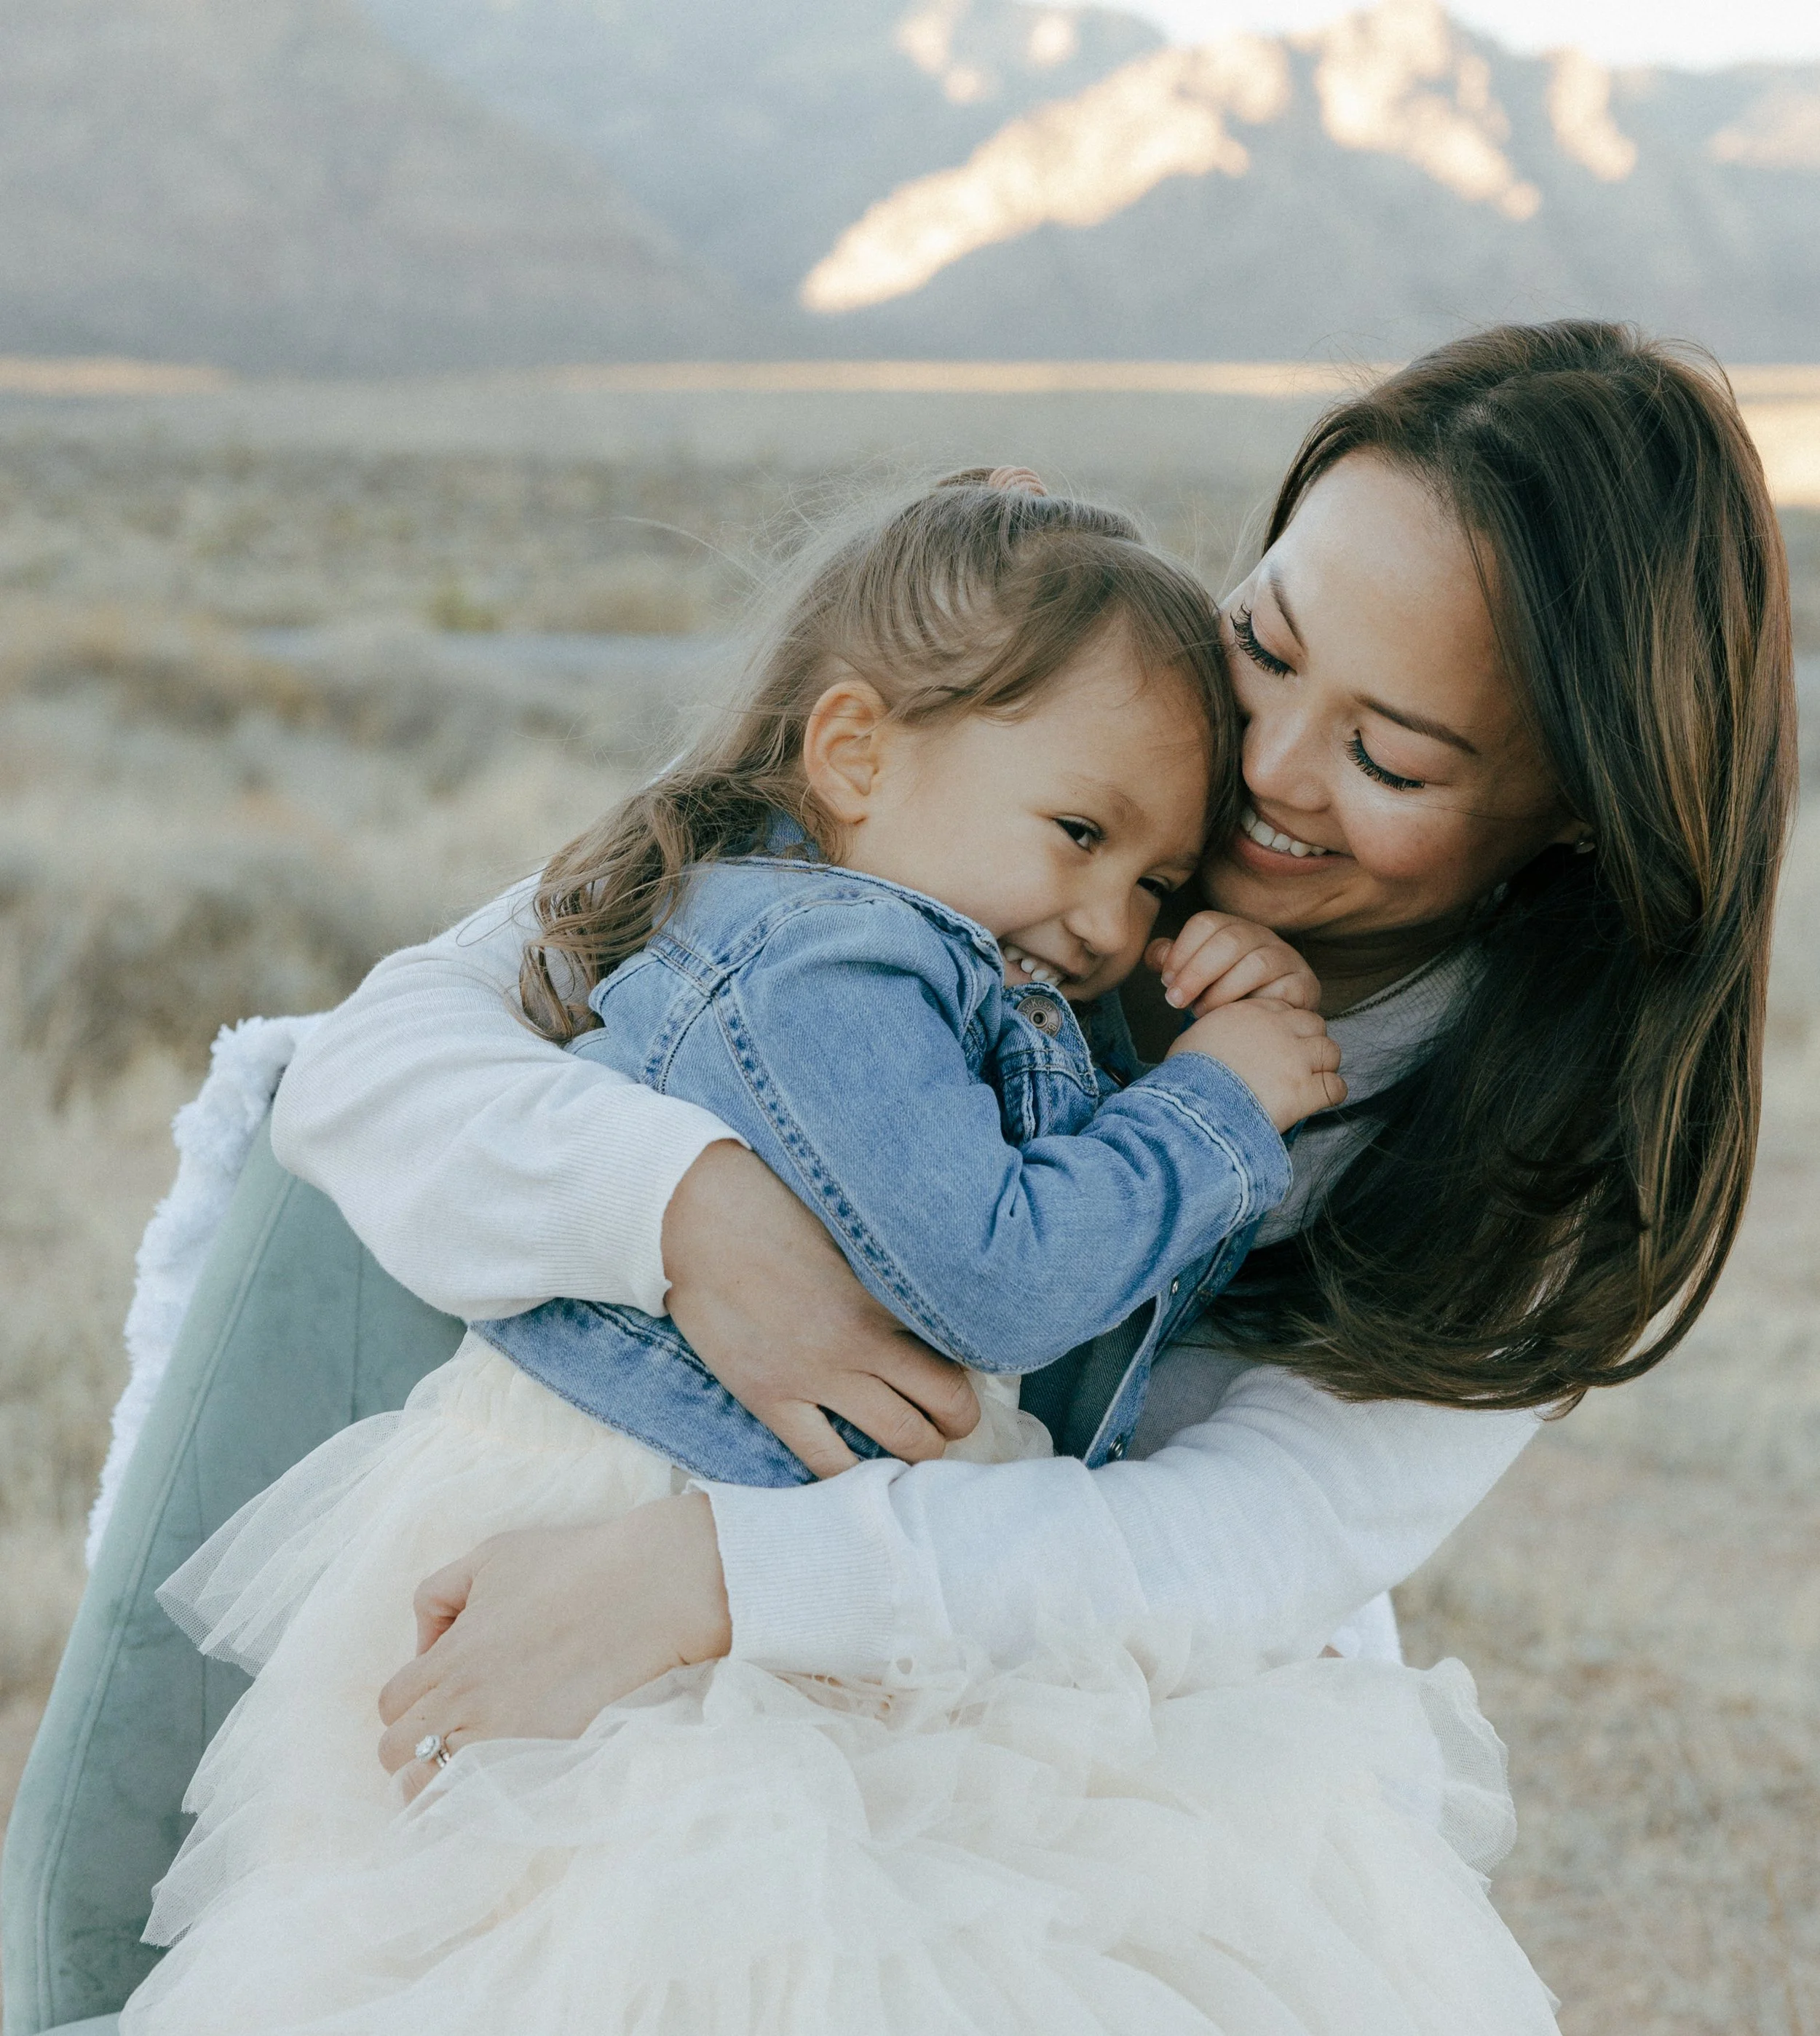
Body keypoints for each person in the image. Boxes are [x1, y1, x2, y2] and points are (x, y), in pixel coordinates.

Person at [164, 323, 1791, 2029]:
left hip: (1087, 1691)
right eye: (1263, 645)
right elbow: (381, 1050)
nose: (1266, 769)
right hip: (639, 1579)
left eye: (1387, 758)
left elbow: (1244, 1534)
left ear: (1574, 821)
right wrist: (683, 1207)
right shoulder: (1019, 756)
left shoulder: (1532, 1152)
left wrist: (724, 1579)